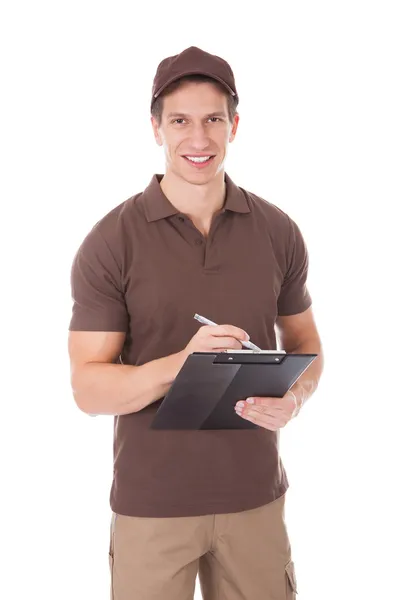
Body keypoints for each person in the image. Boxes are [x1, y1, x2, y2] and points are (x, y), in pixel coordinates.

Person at [68, 46, 324, 600]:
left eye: (213, 119)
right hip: (153, 505)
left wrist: (295, 399)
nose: (199, 138)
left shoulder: (277, 231)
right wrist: (180, 366)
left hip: (255, 498)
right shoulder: (113, 240)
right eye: (180, 120)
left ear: (234, 125)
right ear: (156, 128)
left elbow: (306, 346)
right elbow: (88, 387)